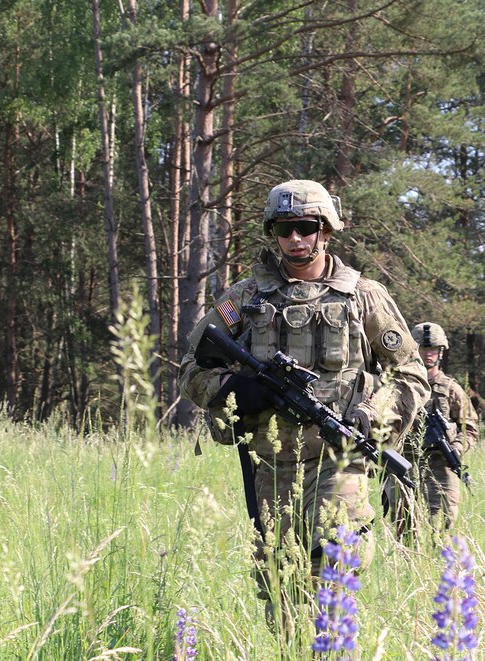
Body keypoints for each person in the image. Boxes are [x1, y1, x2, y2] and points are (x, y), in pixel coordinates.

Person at [178, 179, 429, 629]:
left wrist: (370, 415)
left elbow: (410, 375)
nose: (295, 238)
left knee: (334, 569)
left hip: (339, 460)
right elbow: (191, 369)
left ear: (326, 230)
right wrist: (236, 390)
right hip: (270, 467)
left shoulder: (363, 296)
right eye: (284, 228)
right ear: (273, 232)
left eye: (306, 227)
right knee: (282, 599)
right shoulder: (243, 300)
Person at [385, 321, 477, 534]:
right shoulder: (399, 385)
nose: (428, 354)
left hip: (440, 465)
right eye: (424, 348)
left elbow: (470, 428)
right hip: (404, 462)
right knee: (403, 525)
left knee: (442, 525)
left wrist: (456, 447)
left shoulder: (451, 389)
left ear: (441, 351)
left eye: (433, 348)